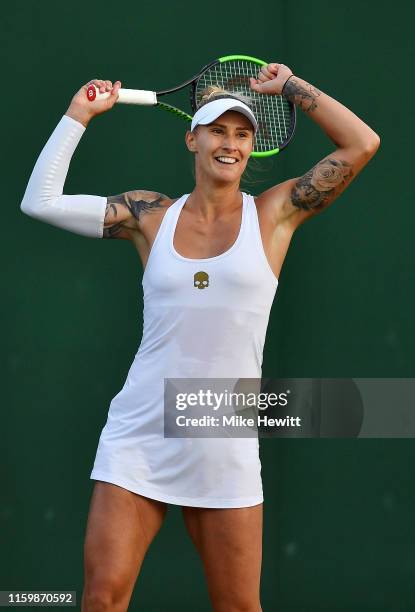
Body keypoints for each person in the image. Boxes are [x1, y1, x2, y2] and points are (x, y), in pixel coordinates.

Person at [20, 62, 380, 612]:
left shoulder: (276, 213)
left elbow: (361, 144)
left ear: (252, 146)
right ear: (193, 138)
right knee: (101, 599)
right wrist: (78, 115)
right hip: (140, 431)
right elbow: (39, 202)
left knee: (238, 607)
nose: (230, 143)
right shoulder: (149, 215)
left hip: (222, 435)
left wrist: (291, 88)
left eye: (242, 133)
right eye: (217, 129)